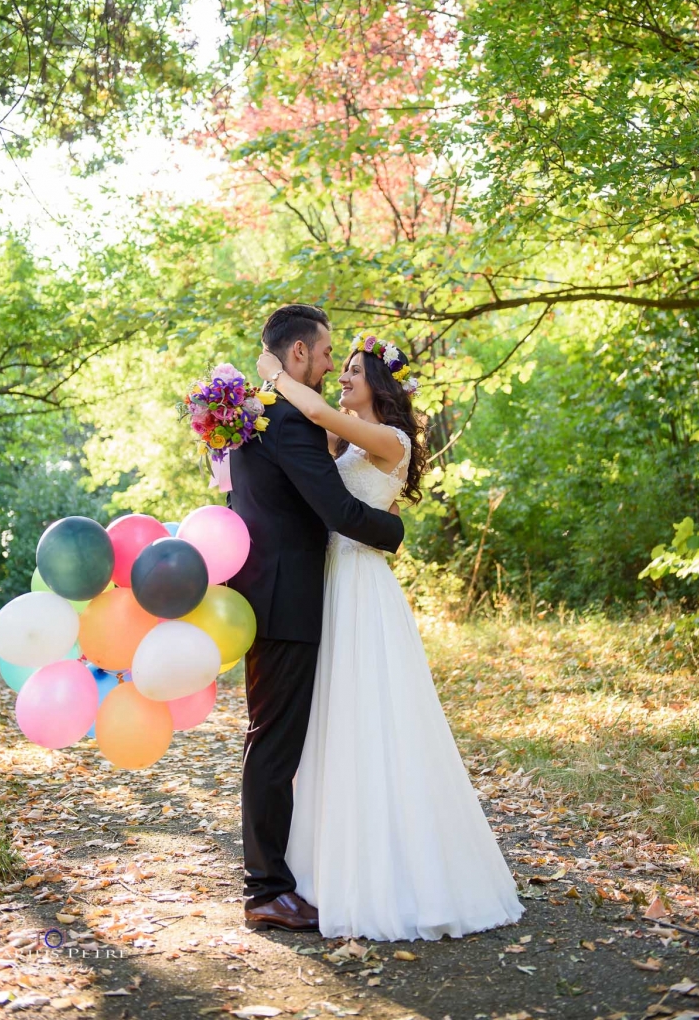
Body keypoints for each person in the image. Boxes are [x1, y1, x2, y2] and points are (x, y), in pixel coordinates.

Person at [255, 331, 524, 942]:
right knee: (337, 721)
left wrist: (276, 374)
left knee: (377, 717)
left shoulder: (389, 439)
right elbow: (310, 447)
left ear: (379, 385)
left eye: (351, 371)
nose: (341, 377)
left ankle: (399, 875)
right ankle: (332, 869)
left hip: (362, 585)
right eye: (338, 366)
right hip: (330, 582)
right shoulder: (344, 434)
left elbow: (317, 410)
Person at [228, 305, 405, 933]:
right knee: (274, 746)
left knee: (278, 740)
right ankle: (266, 890)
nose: (333, 365)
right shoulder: (289, 420)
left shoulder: (252, 414)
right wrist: (396, 530)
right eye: (328, 353)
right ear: (299, 353)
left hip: (270, 594)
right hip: (287, 599)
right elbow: (337, 510)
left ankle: (283, 878)